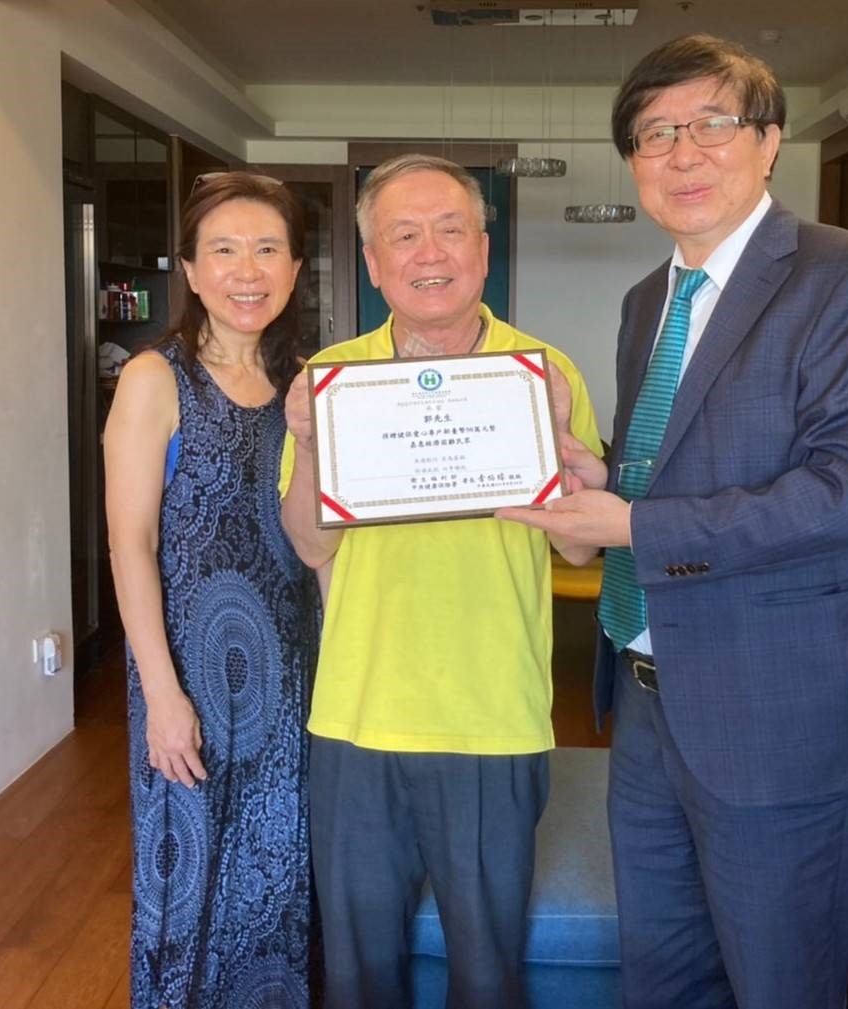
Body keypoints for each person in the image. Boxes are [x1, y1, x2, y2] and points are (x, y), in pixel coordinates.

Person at [497, 34, 848, 1009]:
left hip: (775, 706)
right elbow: (679, 460)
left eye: (711, 124)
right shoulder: (647, 299)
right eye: (654, 134)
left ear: (768, 142)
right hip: (645, 694)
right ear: (633, 162)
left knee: (781, 980)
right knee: (662, 975)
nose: (681, 153)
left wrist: (636, 526)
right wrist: (600, 476)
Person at [278, 153, 601, 1009]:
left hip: (492, 715)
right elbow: (309, 545)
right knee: (358, 974)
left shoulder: (543, 371)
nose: (430, 252)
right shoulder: (331, 380)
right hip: (357, 712)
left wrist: (568, 462)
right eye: (404, 235)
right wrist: (307, 443)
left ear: (482, 252)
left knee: (487, 972)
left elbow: (578, 553)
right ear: (373, 262)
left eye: (450, 230)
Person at [104, 172, 321, 1009]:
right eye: (224, 250)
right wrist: (161, 694)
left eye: (267, 249)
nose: (247, 270)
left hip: (293, 672)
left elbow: (320, 537)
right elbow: (130, 542)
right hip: (188, 676)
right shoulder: (156, 378)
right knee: (186, 874)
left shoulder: (305, 382)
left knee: (278, 868)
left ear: (294, 268)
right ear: (191, 271)